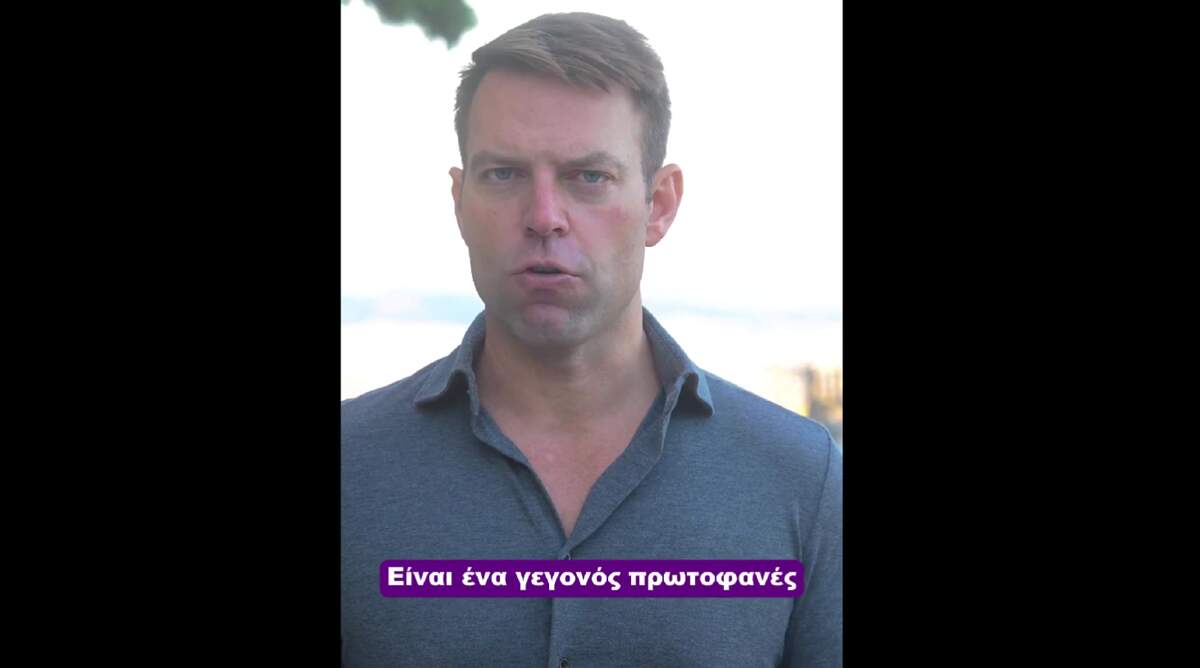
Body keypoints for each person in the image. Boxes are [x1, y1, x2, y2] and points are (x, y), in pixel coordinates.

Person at [341, 12, 842, 667]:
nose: (544, 217)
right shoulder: (351, 466)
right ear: (459, 201)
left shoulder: (801, 478)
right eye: (504, 174)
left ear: (659, 204)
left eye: (589, 177)